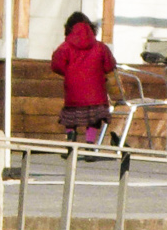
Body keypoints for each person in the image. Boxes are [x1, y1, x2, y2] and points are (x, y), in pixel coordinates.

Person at [49, 11, 117, 143]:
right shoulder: (100, 47)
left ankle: (71, 137)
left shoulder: (65, 47)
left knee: (70, 118)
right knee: (94, 118)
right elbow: (110, 66)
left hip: (74, 92)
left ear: (69, 28)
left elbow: (56, 65)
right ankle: (89, 143)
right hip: (96, 93)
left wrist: (69, 73)